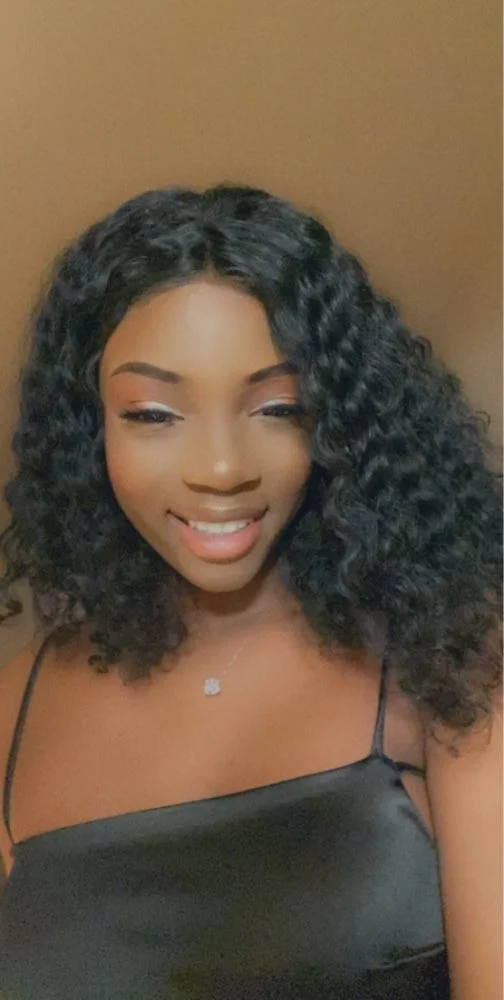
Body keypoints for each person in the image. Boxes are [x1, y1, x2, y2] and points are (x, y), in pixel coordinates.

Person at [0, 184, 501, 999]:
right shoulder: (12, 712)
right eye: (154, 414)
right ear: (90, 427)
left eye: (277, 407)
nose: (222, 468)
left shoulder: (451, 661)